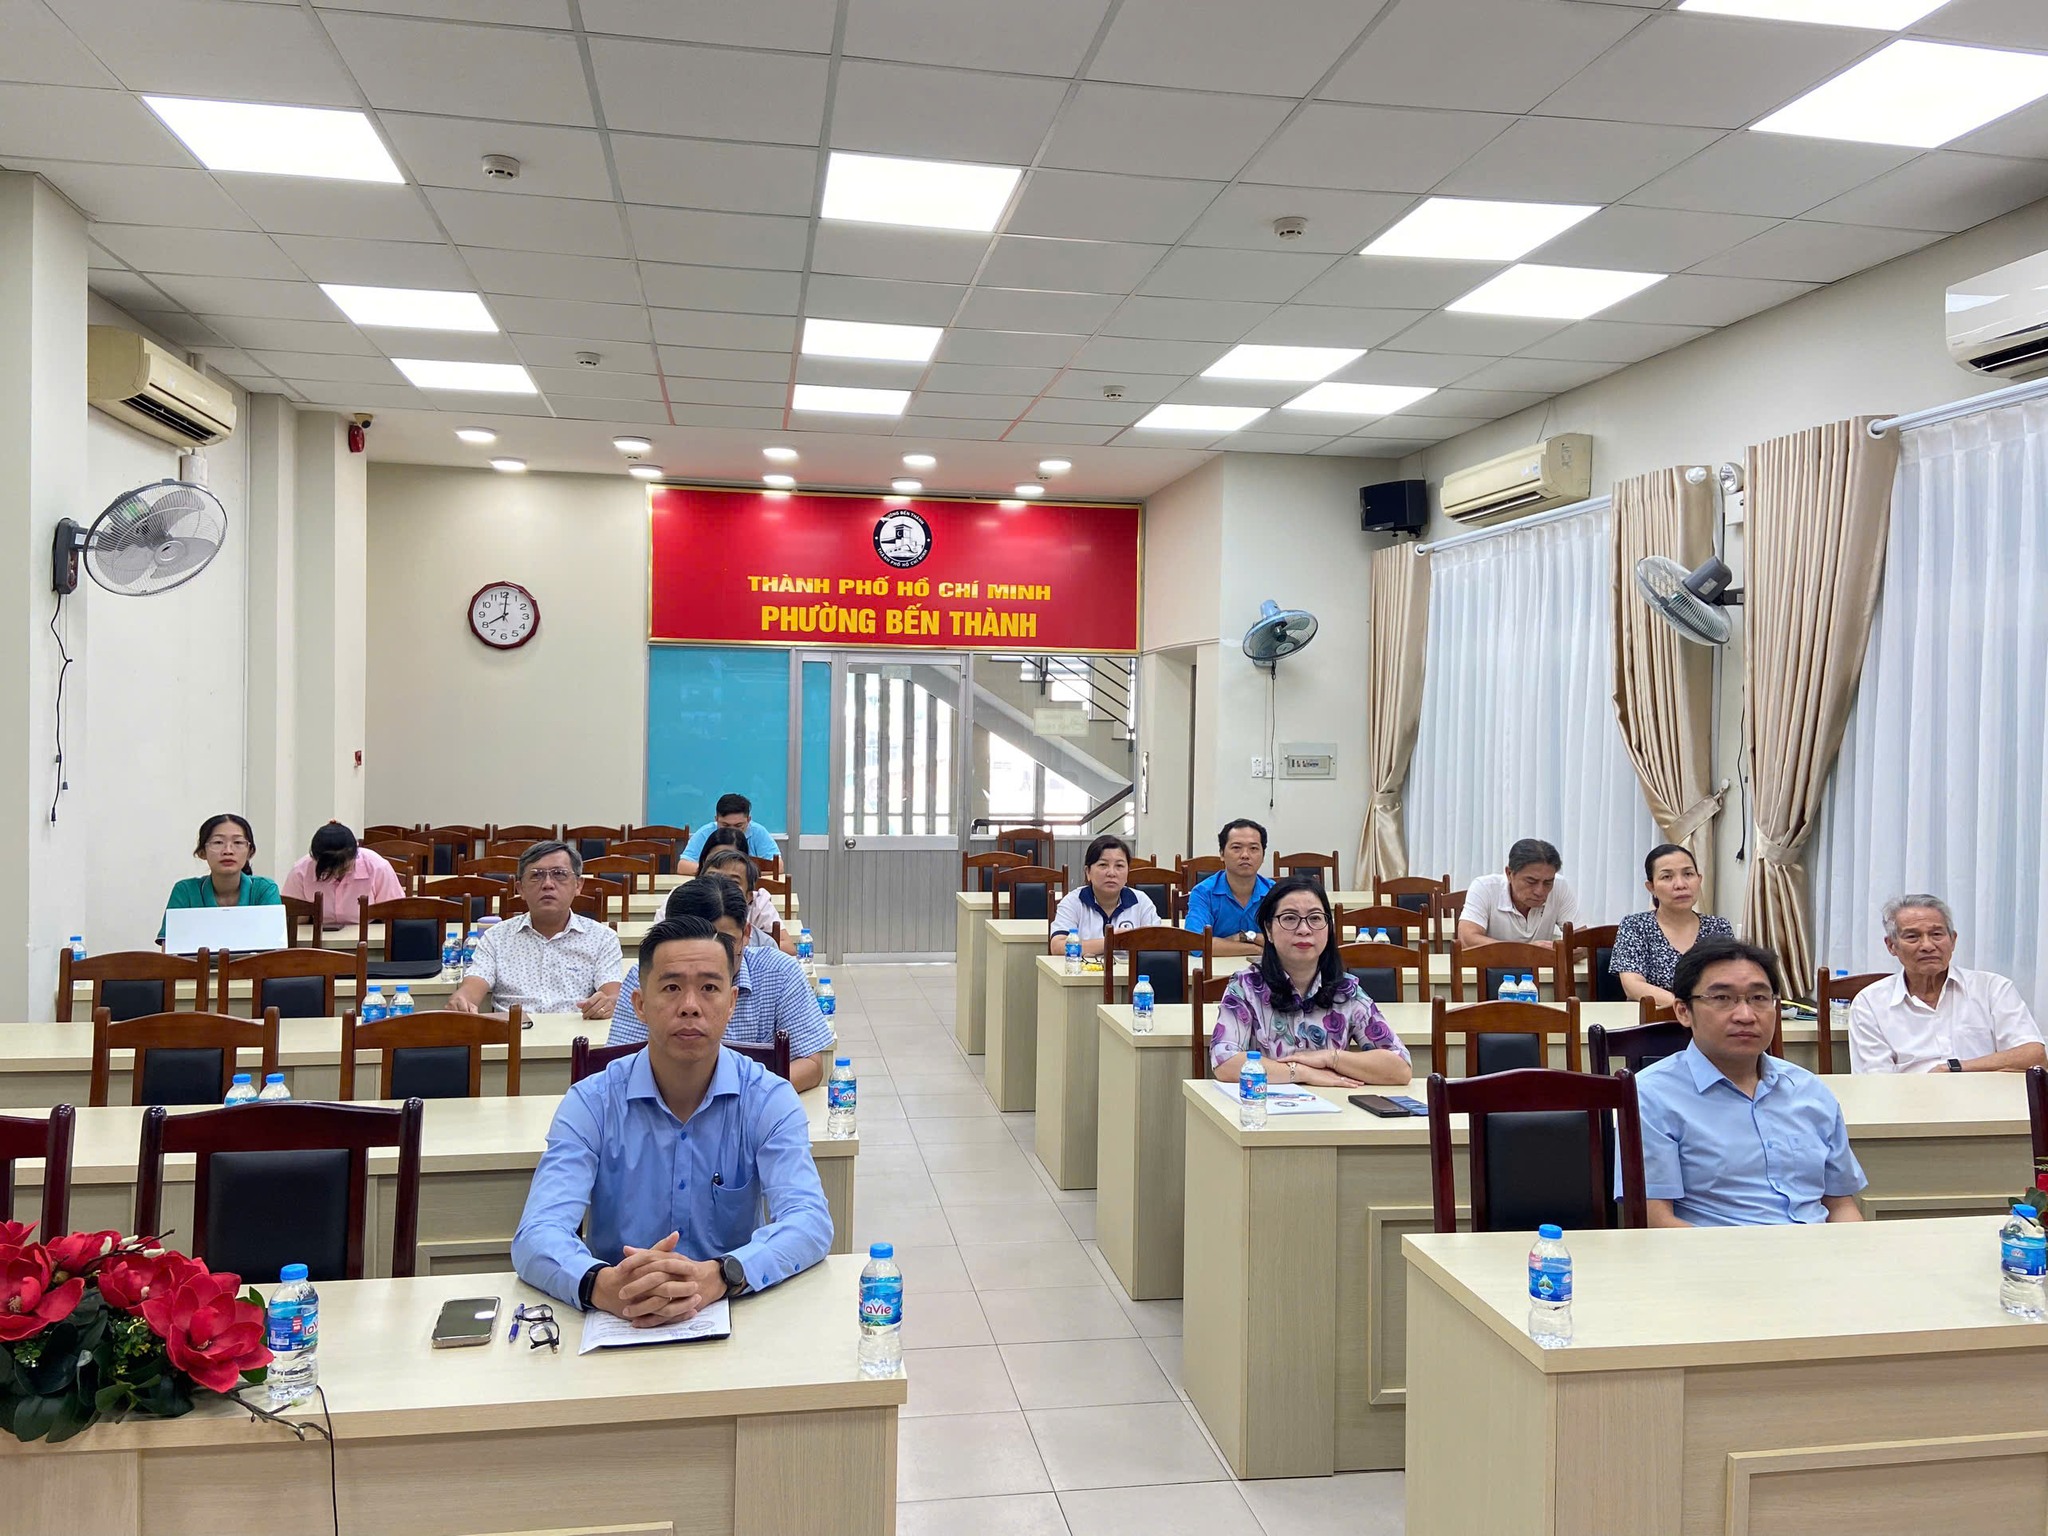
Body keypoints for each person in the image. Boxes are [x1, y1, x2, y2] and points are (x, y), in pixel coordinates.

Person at [510, 914, 832, 1321]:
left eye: (710, 988)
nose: (690, 1006)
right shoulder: (591, 1102)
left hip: (731, 1309)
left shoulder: (768, 1098)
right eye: (671, 987)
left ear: (732, 1002)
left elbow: (809, 1220)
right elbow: (537, 1233)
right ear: (640, 1005)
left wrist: (722, 1274)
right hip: (617, 1316)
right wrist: (601, 1284)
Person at [1631, 938, 1866, 1228]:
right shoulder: (1651, 1095)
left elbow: (1841, 1205)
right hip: (1715, 1252)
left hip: (1819, 1249)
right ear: (1683, 1011)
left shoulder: (1809, 1090)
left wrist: (1855, 1251)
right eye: (1722, 998)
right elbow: (1655, 1221)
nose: (1745, 1015)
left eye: (1759, 998)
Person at [607, 878, 833, 1091]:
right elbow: (621, 1066)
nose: (708, 954)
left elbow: (811, 1065)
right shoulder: (648, 977)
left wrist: (739, 1097)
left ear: (746, 934)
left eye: (723, 941)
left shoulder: (780, 972)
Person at [1209, 876, 1411, 1088]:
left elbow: (1400, 1068)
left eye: (1315, 918)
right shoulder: (1245, 987)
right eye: (1289, 918)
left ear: (1328, 928)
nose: (1304, 929)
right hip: (1263, 1104)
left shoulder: (1346, 990)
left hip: (1332, 1106)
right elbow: (1225, 1062)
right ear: (1268, 930)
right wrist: (1301, 1072)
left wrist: (1331, 1058)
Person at [1847, 894, 2046, 1075]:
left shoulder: (1992, 988)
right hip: (1910, 1101)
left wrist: (1953, 1068)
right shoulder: (1870, 1003)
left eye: (1936, 934)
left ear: (1953, 940)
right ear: (1891, 945)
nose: (1927, 946)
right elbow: (1875, 1082)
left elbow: (2035, 1057)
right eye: (1912, 937)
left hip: (1986, 1098)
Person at [449, 841, 622, 1020]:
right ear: (521, 889)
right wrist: (461, 1001)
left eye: (559, 874)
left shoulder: (602, 938)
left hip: (577, 1033)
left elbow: (612, 996)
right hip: (513, 1032)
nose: (548, 884)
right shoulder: (496, 937)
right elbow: (470, 989)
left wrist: (608, 1004)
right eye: (536, 875)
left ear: (578, 885)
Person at [1610, 844, 1735, 1008]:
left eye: (1688, 874)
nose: (1680, 884)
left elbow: (1731, 980)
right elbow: (1632, 986)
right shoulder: (1635, 926)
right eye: (1667, 877)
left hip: (1711, 1018)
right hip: (1654, 1019)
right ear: (1651, 887)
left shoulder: (1718, 927)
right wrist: (1686, 1008)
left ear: (1699, 880)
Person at [160, 814, 281, 936]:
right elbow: (170, 944)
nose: (228, 851)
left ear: (250, 852)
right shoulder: (185, 890)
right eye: (218, 842)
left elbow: (273, 942)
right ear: (202, 852)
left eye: (238, 842)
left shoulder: (265, 889)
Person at [1049, 834, 1160, 956]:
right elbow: (1057, 947)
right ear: (1088, 872)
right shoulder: (1073, 902)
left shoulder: (1141, 901)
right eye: (1103, 865)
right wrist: (1112, 941)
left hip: (1130, 969)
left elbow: (1158, 944)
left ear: (1128, 872)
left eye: (1119, 866)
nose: (1111, 873)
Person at [280, 822, 405, 929]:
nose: (336, 873)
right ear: (314, 857)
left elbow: (395, 914)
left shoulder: (378, 867)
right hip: (317, 940)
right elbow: (294, 919)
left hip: (370, 939)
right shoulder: (301, 871)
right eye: (328, 869)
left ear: (356, 853)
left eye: (343, 867)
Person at [1457, 837, 1578, 946]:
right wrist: (1529, 952)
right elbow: (1467, 939)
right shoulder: (1484, 888)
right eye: (1531, 881)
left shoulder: (1559, 886)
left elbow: (1581, 940)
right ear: (1509, 874)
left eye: (1548, 883)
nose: (1540, 891)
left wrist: (1565, 951)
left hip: (1542, 964)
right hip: (1491, 963)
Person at [1183, 818, 1274, 958]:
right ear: (1221, 854)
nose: (1245, 855)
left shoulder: (1275, 893)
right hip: (1217, 970)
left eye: (1253, 848)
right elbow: (1196, 944)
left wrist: (1245, 937)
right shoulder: (1203, 892)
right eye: (1236, 848)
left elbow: (1286, 941)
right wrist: (1257, 949)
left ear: (1263, 856)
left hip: (1264, 970)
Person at [703, 847, 796, 954]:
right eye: (712, 878)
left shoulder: (763, 944)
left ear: (749, 897)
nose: (721, 885)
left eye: (733, 882)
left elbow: (789, 948)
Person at [677, 793, 778, 875]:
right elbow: (683, 866)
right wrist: (720, 872)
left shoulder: (758, 832)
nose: (732, 831)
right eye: (725, 825)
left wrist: (744, 874)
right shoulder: (705, 832)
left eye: (738, 825)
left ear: (748, 820)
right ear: (716, 819)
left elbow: (778, 866)